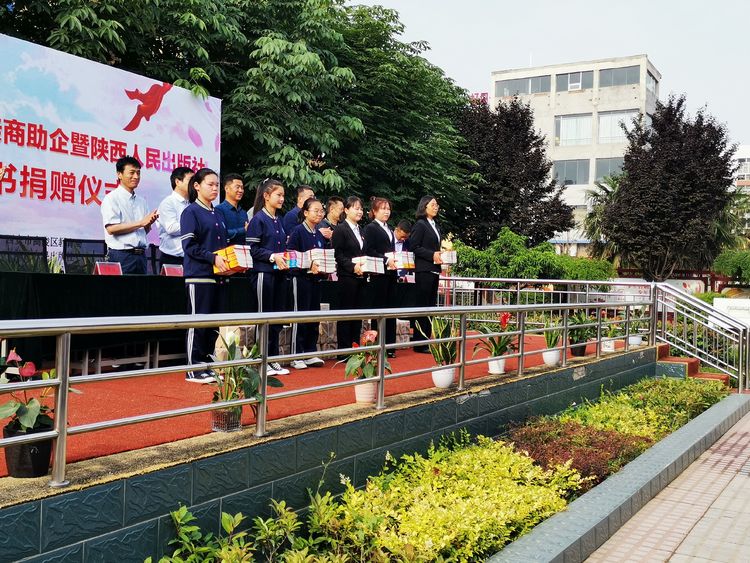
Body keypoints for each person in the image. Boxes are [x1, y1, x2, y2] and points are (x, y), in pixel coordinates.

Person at [180, 168, 230, 383]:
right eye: (210, 184)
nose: (215, 188)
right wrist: (212, 258)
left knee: (212, 324)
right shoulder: (191, 212)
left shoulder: (217, 213)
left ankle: (207, 364)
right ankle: (193, 368)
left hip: (218, 276)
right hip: (198, 275)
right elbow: (189, 246)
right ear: (197, 186)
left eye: (217, 185)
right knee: (197, 323)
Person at [247, 178, 291, 376]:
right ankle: (261, 359)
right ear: (266, 196)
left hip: (280, 274)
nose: (281, 199)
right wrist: (272, 256)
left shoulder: (278, 220)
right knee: (264, 317)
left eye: (283, 195)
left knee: (276, 318)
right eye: (278, 195)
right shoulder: (258, 219)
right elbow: (253, 249)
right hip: (263, 274)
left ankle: (271, 358)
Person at [286, 197, 328, 369]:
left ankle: (309, 351)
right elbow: (290, 257)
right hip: (300, 278)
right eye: (315, 210)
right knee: (300, 316)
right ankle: (296, 354)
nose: (319, 214)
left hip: (316, 279)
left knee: (313, 316)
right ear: (305, 212)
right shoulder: (297, 232)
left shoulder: (319, 234)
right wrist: (307, 265)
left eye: (321, 211)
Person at [100, 156, 159, 274]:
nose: (136, 176)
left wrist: (148, 224)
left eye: (138, 173)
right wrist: (141, 223)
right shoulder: (112, 198)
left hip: (141, 256)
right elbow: (111, 229)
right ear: (119, 174)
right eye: (132, 173)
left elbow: (143, 231)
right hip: (121, 256)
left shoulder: (142, 201)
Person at [363, 197, 398, 356]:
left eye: (388, 209)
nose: (386, 212)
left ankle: (389, 346)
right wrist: (385, 259)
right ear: (374, 211)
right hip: (378, 273)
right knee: (379, 310)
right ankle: (378, 345)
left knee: (391, 309)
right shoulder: (371, 228)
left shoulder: (389, 229)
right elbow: (369, 250)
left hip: (391, 273)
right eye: (383, 208)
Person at [331, 196, 366, 356]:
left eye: (361, 208)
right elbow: (338, 255)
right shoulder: (341, 229)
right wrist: (352, 267)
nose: (360, 211)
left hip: (361, 277)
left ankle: (355, 348)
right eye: (356, 208)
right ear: (346, 210)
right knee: (346, 315)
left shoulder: (361, 230)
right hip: (347, 277)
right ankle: (344, 351)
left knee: (357, 315)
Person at [409, 195, 443, 353]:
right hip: (423, 270)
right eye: (433, 204)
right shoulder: (420, 224)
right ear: (424, 206)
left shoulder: (435, 225)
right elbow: (414, 246)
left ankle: (426, 339)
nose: (436, 207)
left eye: (437, 205)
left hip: (434, 269)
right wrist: (431, 255)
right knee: (422, 306)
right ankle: (419, 341)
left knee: (430, 307)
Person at [156, 166, 193, 268]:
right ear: (177, 182)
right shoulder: (168, 203)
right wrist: (195, 226)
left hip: (191, 258)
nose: (194, 184)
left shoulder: (192, 204)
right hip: (172, 259)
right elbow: (171, 228)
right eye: (190, 180)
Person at [215, 173, 249, 246]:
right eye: (237, 187)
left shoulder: (243, 212)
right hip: (225, 251)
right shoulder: (218, 210)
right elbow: (220, 234)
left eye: (242, 188)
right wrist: (243, 230)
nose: (240, 190)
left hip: (243, 251)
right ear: (226, 189)